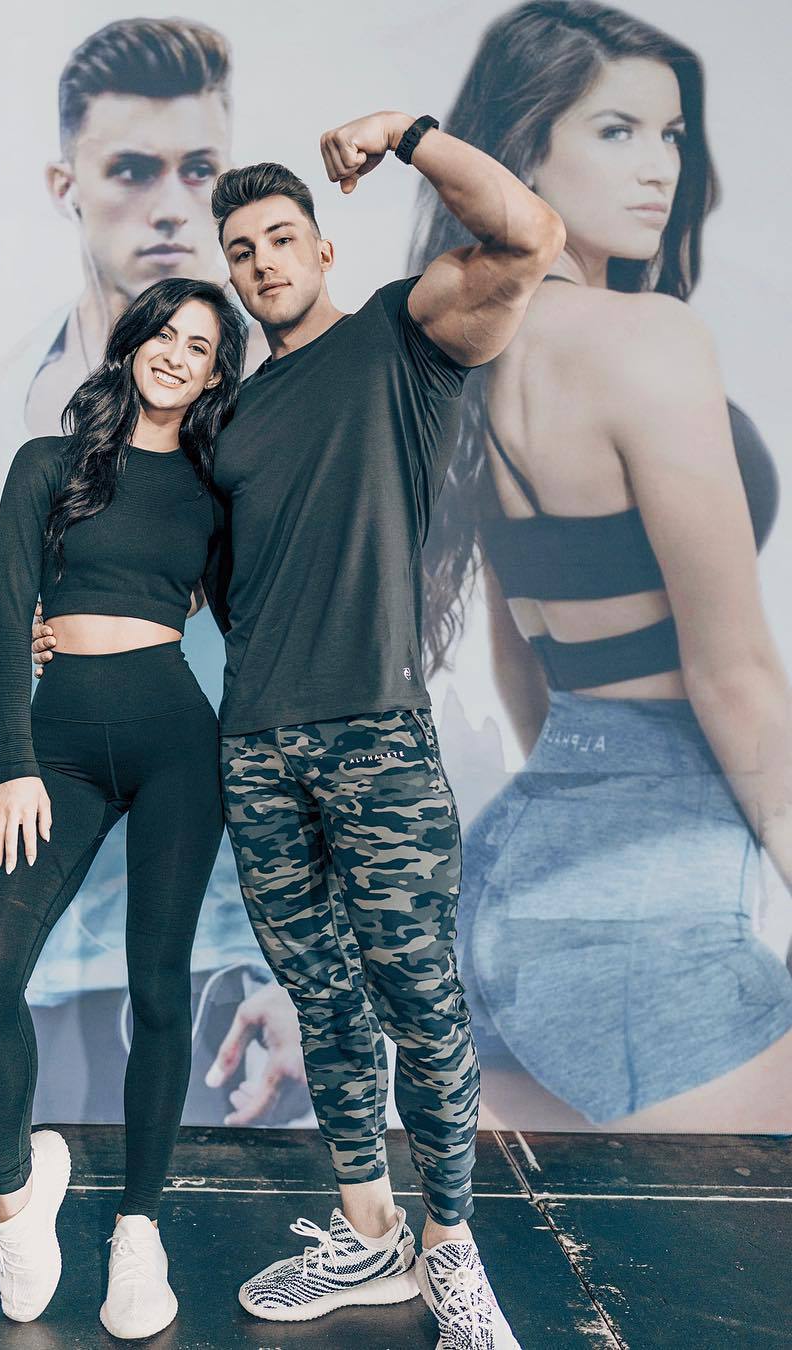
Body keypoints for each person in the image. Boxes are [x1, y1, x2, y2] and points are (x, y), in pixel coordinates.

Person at [35, 108, 563, 1345]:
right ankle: (371, 1237)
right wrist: (76, 622)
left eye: (282, 238)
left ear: (323, 249)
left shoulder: (399, 338)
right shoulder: (229, 419)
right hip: (254, 749)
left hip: (376, 734)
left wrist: (410, 135)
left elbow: (530, 235)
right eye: (242, 249)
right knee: (321, 1002)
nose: (263, 261)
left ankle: (450, 1250)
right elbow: (176, 553)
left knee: (419, 1000)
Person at [0, 15, 302, 1128]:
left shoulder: (269, 422)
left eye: (198, 170)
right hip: (18, 936)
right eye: (132, 169)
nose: (171, 205)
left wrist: (307, 961)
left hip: (214, 963)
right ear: (67, 185)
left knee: (176, 1229)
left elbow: (314, 677)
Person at [411, 0, 792, 1133]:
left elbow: (518, 663)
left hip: (514, 883)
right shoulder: (649, 339)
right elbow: (735, 679)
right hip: (646, 902)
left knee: (549, 1247)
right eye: (616, 131)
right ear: (522, 151)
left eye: (670, 134)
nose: (659, 167)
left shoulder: (468, 357)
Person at [0, 276, 247, 1340]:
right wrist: (17, 765)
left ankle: (138, 1231)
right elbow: (8, 624)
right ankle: (17, 1200)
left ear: (215, 376)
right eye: (163, 333)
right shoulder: (49, 464)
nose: (176, 354)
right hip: (60, 754)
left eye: (199, 346)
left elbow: (248, 616)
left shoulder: (213, 491)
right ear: (131, 344)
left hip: (178, 747)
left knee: (157, 988)